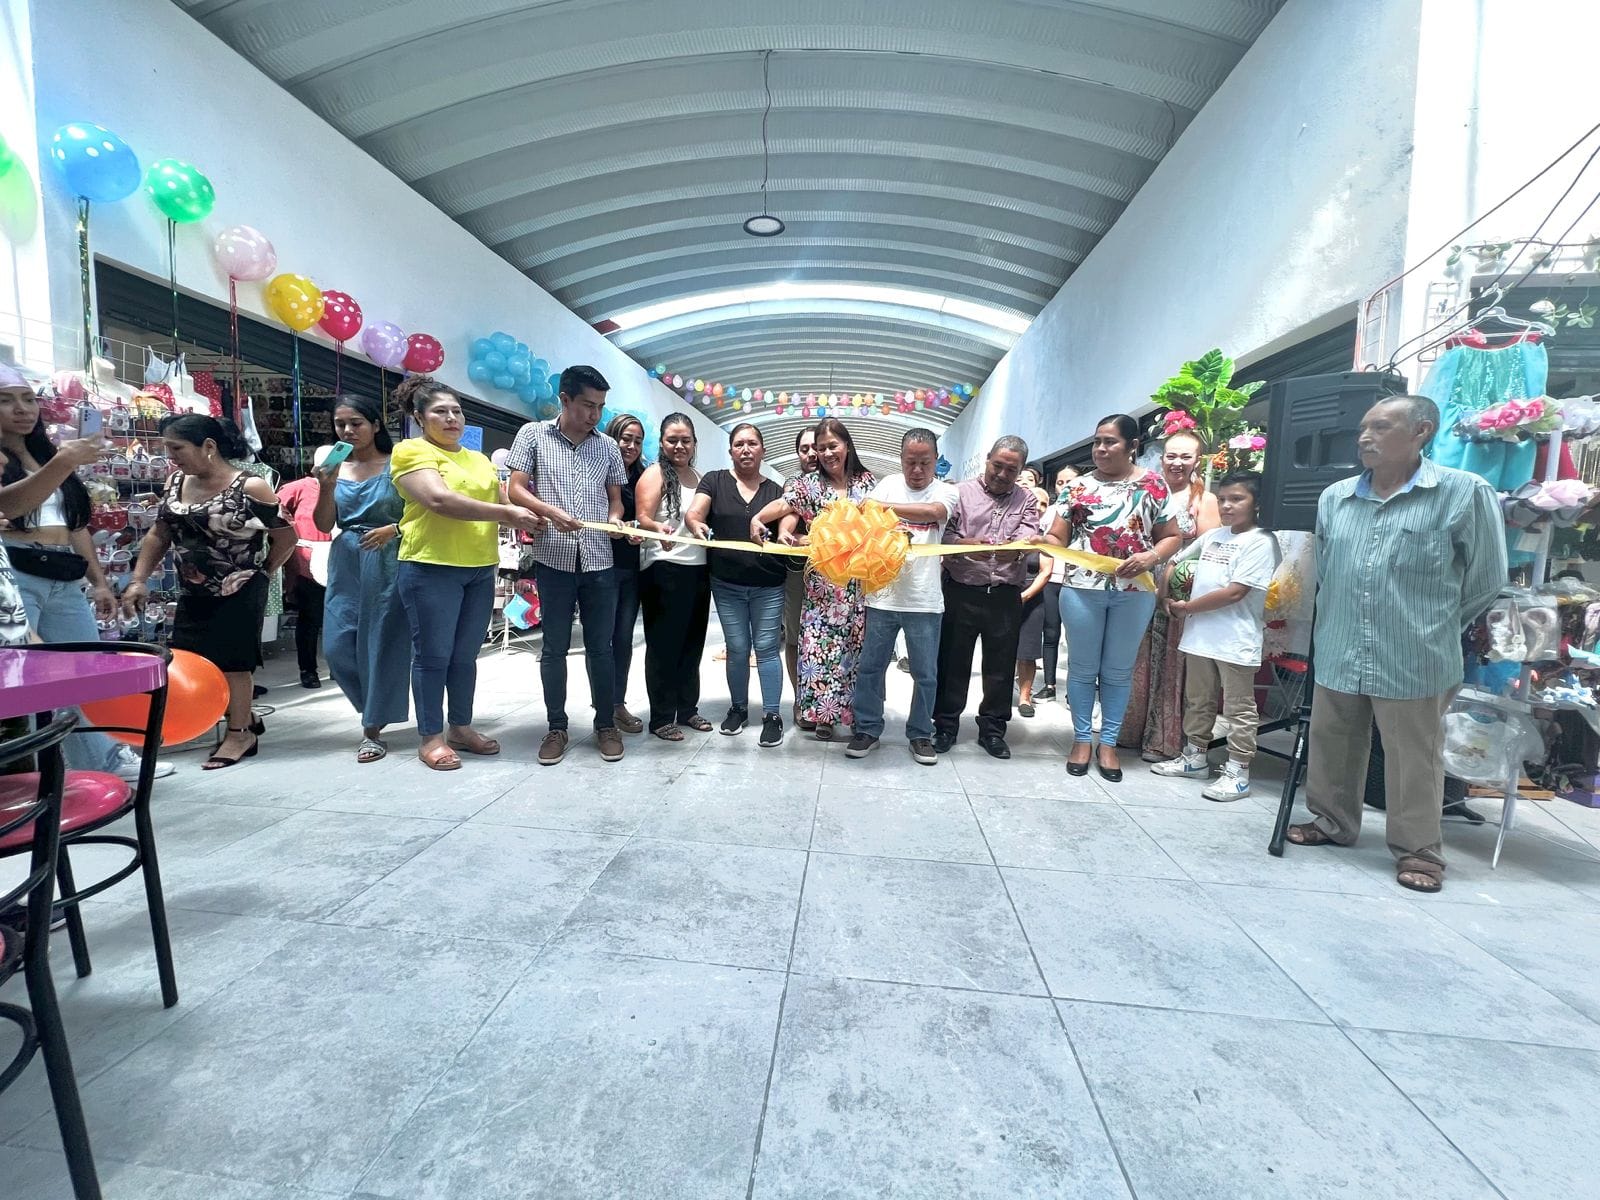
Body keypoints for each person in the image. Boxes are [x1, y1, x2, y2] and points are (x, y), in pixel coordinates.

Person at [1287, 395, 1506, 893]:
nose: (1365, 437)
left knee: (1413, 756)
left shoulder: (1462, 493)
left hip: (1416, 653)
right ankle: (1332, 822)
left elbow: (1485, 580)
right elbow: (1326, 572)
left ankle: (1419, 852)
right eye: (1364, 428)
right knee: (1333, 742)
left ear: (1421, 431)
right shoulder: (1335, 497)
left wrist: (1430, 626)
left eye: (1381, 427)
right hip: (1341, 644)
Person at [0, 367, 174, 780]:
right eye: (7, 400)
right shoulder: (45, 459)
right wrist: (63, 463)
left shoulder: (42, 454)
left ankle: (98, 763)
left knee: (79, 673)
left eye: (28, 398)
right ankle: (42, 771)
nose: (23, 409)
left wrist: (98, 581)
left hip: (63, 572)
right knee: (31, 676)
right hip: (16, 571)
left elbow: (76, 524)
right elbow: (11, 505)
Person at [123, 415, 296, 770]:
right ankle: (240, 716)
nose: (171, 456)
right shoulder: (175, 482)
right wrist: (139, 579)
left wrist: (264, 572)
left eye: (176, 448)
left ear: (209, 447)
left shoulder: (250, 487)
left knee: (234, 662)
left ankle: (239, 733)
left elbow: (286, 535)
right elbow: (159, 533)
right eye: (166, 448)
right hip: (191, 588)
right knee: (193, 659)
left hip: (241, 586)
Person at [389, 376, 540, 771]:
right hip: (430, 566)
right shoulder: (410, 451)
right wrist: (508, 512)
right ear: (420, 417)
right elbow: (439, 500)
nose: (452, 418)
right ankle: (430, 737)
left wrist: (548, 513)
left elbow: (506, 498)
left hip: (478, 566)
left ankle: (460, 726)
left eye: (456, 410)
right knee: (432, 656)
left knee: (465, 656)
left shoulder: (477, 459)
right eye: (440, 411)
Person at [1046, 414, 1180, 782]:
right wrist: (1050, 544)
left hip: (1135, 592)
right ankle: (1080, 740)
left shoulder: (1154, 485)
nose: (1101, 449)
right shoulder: (1076, 488)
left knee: (1118, 672)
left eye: (1110, 442)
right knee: (1083, 668)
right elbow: (1057, 536)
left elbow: (1172, 536)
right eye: (1097, 442)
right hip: (1081, 590)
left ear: (1132, 445)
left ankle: (1108, 743)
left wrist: (1151, 557)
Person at [506, 365, 628, 766]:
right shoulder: (533, 435)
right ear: (565, 399)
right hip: (553, 557)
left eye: (601, 407)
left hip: (599, 560)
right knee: (554, 648)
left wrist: (614, 519)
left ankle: (605, 725)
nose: (595, 415)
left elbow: (616, 500)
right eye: (587, 405)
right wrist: (549, 512)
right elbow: (516, 488)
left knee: (601, 649)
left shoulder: (607, 446)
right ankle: (556, 726)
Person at [1151, 471, 1278, 800]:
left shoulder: (1262, 541)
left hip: (1235, 640)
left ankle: (1238, 771)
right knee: (1198, 701)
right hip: (1199, 636)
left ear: (1257, 503)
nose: (1227, 505)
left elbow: (1235, 592)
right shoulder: (1214, 536)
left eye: (1237, 499)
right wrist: (1165, 594)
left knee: (1239, 709)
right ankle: (1194, 757)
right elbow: (1176, 560)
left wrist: (1187, 606)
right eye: (1222, 499)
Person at [759, 417, 876, 739]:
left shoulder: (866, 482)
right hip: (823, 586)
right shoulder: (809, 484)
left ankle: (852, 716)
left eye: (832, 446)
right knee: (821, 650)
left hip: (858, 584)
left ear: (847, 446)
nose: (826, 453)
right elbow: (785, 505)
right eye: (821, 448)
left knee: (855, 650)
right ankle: (823, 716)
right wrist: (758, 517)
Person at [847, 428, 958, 764]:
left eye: (925, 462)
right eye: (910, 462)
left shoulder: (947, 492)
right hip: (882, 597)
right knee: (870, 668)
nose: (917, 470)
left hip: (924, 599)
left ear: (936, 461)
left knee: (925, 673)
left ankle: (921, 733)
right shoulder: (888, 484)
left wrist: (881, 508)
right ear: (901, 459)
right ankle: (867, 727)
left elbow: (933, 513)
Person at [311, 394, 411, 763]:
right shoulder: (335, 470)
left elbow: (421, 513)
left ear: (375, 425)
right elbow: (324, 525)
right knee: (338, 647)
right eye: (341, 424)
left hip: (389, 557)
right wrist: (325, 485)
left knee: (381, 643)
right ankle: (373, 708)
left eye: (356, 423)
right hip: (347, 558)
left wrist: (393, 529)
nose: (349, 430)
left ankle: (372, 729)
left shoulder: (398, 464)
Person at [931, 435, 1041, 759]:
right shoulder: (959, 493)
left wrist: (1018, 552)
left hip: (1005, 595)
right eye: (998, 465)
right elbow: (944, 535)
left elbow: (1029, 534)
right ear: (987, 459)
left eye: (1012, 469)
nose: (1003, 474)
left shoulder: (1027, 500)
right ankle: (946, 725)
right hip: (961, 590)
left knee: (1000, 667)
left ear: (1020, 470)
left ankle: (992, 730)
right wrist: (967, 545)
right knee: (952, 661)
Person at [686, 422, 787, 746]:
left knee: (768, 649)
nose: (746, 449)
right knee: (738, 648)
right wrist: (695, 524)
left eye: (752, 444)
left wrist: (786, 533)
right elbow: (695, 513)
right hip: (727, 584)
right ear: (730, 450)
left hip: (769, 584)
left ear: (762, 450)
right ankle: (738, 708)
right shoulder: (714, 481)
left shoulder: (776, 490)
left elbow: (787, 520)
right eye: (739, 444)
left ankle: (772, 715)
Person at [1124, 429, 1222, 759]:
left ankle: (1162, 739)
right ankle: (1130, 729)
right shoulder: (1148, 491)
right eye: (1171, 455)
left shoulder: (1204, 500)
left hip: (1175, 592)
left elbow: (1210, 549)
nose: (1177, 463)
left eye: (1185, 456)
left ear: (1197, 461)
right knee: (1135, 660)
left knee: (1169, 665)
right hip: (1138, 585)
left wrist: (1169, 571)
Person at [634, 413, 711, 740]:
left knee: (692, 645)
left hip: (698, 570)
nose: (679, 446)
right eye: (672, 440)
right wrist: (656, 528)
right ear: (662, 443)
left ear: (694, 443)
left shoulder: (699, 477)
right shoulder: (654, 474)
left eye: (685, 440)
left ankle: (688, 709)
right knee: (664, 645)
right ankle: (662, 716)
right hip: (664, 568)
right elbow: (641, 517)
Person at [276, 448, 335, 689]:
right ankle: (308, 669)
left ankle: (338, 666)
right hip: (307, 559)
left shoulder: (348, 486)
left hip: (341, 556)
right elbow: (275, 509)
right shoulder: (299, 487)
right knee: (310, 617)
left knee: (338, 616)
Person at [604, 413, 647, 734]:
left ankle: (616, 704)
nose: (630, 445)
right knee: (599, 640)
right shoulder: (598, 469)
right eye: (625, 438)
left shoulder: (645, 475)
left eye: (637, 440)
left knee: (622, 639)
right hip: (598, 565)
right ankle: (602, 708)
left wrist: (641, 530)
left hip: (632, 568)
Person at [782, 425, 819, 724]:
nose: (811, 454)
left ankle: (827, 702)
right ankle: (800, 701)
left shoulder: (841, 482)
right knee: (795, 638)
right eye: (804, 449)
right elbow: (787, 524)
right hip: (798, 575)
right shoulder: (794, 484)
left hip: (837, 578)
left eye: (815, 447)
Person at [1037, 464, 1081, 702]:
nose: (1065, 487)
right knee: (1051, 633)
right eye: (1060, 483)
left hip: (1078, 581)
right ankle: (1050, 685)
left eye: (1070, 482)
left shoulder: (1087, 509)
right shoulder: (1049, 512)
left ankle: (1076, 689)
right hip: (1052, 579)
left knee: (1077, 637)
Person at [1013, 493, 1053, 718]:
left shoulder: (1046, 540)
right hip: (1004, 595)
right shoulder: (1011, 533)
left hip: (1032, 598)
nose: (1038, 507)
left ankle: (1025, 697)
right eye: (1033, 501)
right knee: (1000, 649)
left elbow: (1045, 571)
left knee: (1027, 651)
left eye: (1043, 503)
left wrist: (1025, 596)